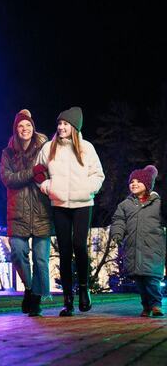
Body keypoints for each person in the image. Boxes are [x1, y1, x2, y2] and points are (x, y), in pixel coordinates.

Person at [36, 106, 105, 316]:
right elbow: (38, 170)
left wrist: (87, 189)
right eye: (59, 123)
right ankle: (68, 300)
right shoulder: (49, 147)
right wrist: (47, 186)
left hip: (83, 204)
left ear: (74, 127)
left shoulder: (86, 148)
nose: (61, 127)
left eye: (66, 124)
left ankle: (84, 290)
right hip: (59, 205)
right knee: (65, 251)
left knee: (79, 246)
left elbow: (98, 175)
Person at [0, 109, 53, 317]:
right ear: (16, 129)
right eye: (21, 126)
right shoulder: (8, 153)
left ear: (33, 127)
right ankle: (29, 289)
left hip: (41, 210)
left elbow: (51, 171)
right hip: (18, 212)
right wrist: (32, 172)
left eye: (28, 125)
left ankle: (36, 299)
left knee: (41, 259)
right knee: (18, 253)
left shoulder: (44, 148)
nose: (25, 129)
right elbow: (8, 178)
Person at [110, 165, 166, 317]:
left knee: (152, 278)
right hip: (133, 249)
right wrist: (117, 234)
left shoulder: (158, 203)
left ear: (147, 185)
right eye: (131, 181)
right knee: (140, 280)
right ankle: (146, 306)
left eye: (138, 181)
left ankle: (156, 305)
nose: (133, 184)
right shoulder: (125, 205)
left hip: (153, 248)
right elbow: (118, 221)